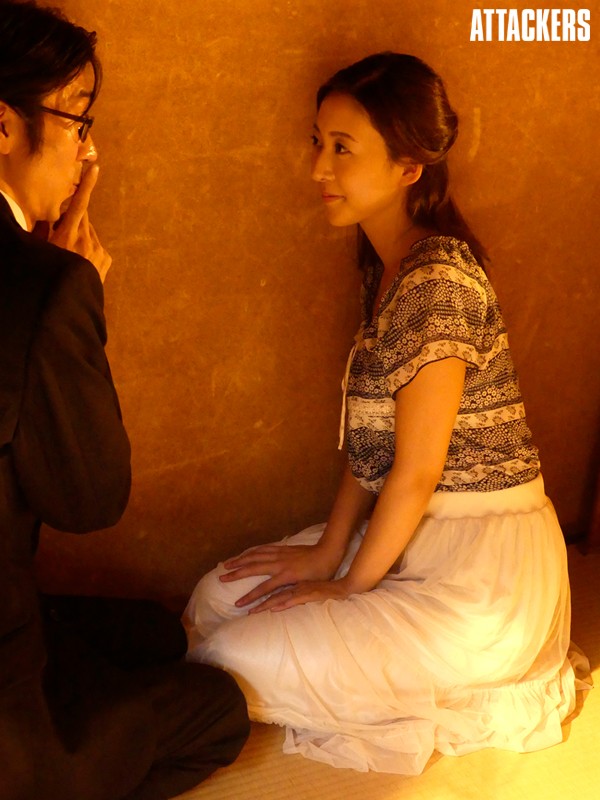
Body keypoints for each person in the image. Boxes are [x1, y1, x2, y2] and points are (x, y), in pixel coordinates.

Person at [184, 52, 590, 775]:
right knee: (215, 598)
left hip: (484, 577)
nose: (318, 167)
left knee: (227, 660)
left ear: (408, 167)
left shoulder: (438, 280)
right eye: (318, 142)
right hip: (413, 537)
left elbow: (417, 471)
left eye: (342, 148)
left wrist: (346, 586)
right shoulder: (384, 267)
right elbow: (373, 452)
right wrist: (325, 550)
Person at [0, 2, 249, 798]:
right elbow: (89, 500)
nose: (90, 149)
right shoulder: (48, 286)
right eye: (77, 120)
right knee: (221, 711)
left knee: (154, 632)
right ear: (2, 126)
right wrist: (77, 301)